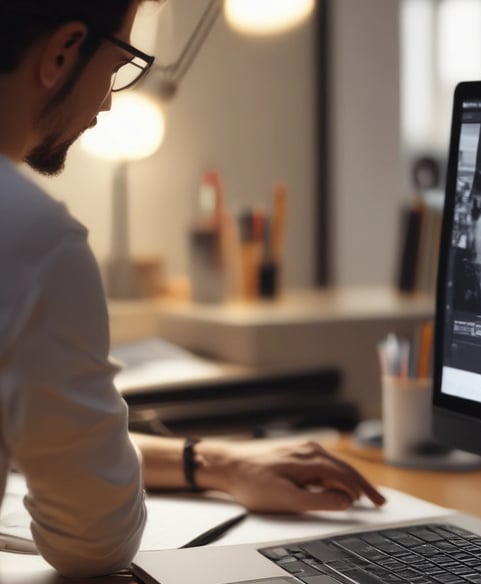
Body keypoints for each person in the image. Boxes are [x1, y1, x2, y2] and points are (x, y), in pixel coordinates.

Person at [0, 1, 385, 578]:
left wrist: (211, 459)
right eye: (118, 63)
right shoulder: (32, 239)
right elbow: (93, 543)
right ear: (61, 52)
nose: (108, 98)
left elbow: (51, 441)